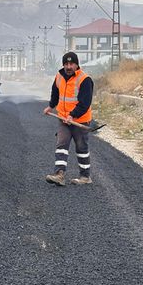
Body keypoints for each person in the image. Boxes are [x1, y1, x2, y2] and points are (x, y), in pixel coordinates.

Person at [43, 52, 94, 186]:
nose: (68, 66)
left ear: (77, 65)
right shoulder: (59, 76)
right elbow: (55, 93)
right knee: (61, 144)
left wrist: (73, 115)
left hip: (80, 120)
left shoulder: (85, 79)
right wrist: (51, 106)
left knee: (81, 148)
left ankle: (85, 177)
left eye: (71, 64)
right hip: (63, 119)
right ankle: (59, 174)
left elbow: (85, 103)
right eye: (66, 64)